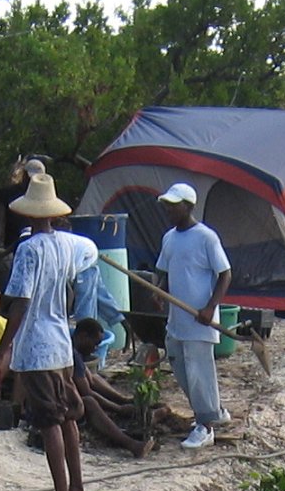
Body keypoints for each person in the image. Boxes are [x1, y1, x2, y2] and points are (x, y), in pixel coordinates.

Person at [0, 170, 96, 491]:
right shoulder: (66, 243)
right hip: (61, 342)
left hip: (38, 348)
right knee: (67, 420)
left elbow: (20, 303)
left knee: (49, 421)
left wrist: (1, 351)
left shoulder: (28, 250)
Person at [154, 183, 232, 451]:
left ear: (188, 206)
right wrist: (159, 290)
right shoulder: (169, 238)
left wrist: (210, 307)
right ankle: (214, 411)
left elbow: (225, 274)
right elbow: (163, 270)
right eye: (167, 205)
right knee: (178, 364)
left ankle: (205, 425)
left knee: (199, 372)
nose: (168, 210)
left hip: (200, 318)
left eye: (173, 205)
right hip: (177, 319)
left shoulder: (206, 237)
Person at [70, 319, 147, 456]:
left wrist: (121, 400)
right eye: (95, 344)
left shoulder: (76, 351)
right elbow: (86, 391)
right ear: (83, 336)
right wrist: (118, 409)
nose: (95, 349)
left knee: (94, 377)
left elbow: (91, 381)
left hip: (68, 394)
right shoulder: (72, 355)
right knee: (89, 402)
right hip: (59, 402)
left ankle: (123, 400)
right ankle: (130, 444)